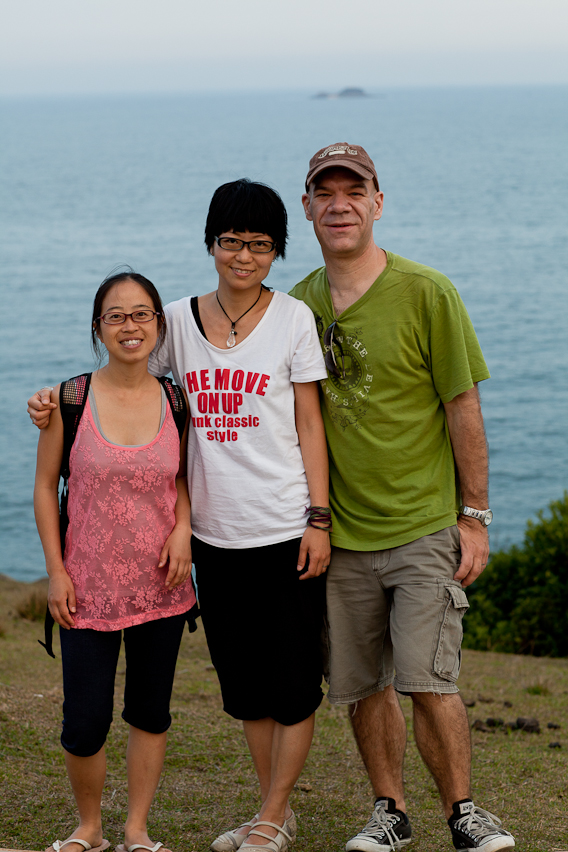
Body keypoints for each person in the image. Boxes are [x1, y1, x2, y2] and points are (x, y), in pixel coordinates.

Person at [30, 180, 331, 852]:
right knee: (244, 689)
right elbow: (128, 377)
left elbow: (310, 423)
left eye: (260, 244)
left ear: (277, 251)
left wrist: (320, 517)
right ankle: (269, 812)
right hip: (212, 541)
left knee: (292, 683)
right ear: (211, 244)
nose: (244, 256)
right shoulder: (174, 323)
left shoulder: (293, 320)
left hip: (284, 525)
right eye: (232, 241)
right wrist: (52, 400)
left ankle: (272, 815)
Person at [287, 143, 515, 852]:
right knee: (362, 687)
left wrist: (474, 517)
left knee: (429, 679)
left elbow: (462, 406)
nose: (340, 206)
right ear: (307, 208)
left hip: (422, 526)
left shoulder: (426, 292)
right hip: (342, 535)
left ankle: (464, 812)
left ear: (377, 204)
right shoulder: (296, 307)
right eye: (325, 194)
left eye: (354, 192)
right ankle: (389, 811)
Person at [34, 271, 196, 852]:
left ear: (159, 323)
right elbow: (44, 487)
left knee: (150, 712)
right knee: (84, 721)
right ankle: (90, 828)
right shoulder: (69, 400)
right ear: (98, 327)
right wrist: (56, 571)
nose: (131, 326)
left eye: (142, 313)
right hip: (85, 588)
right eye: (116, 316)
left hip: (162, 586)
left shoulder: (176, 399)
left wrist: (184, 530)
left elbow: (184, 478)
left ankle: (136, 830)